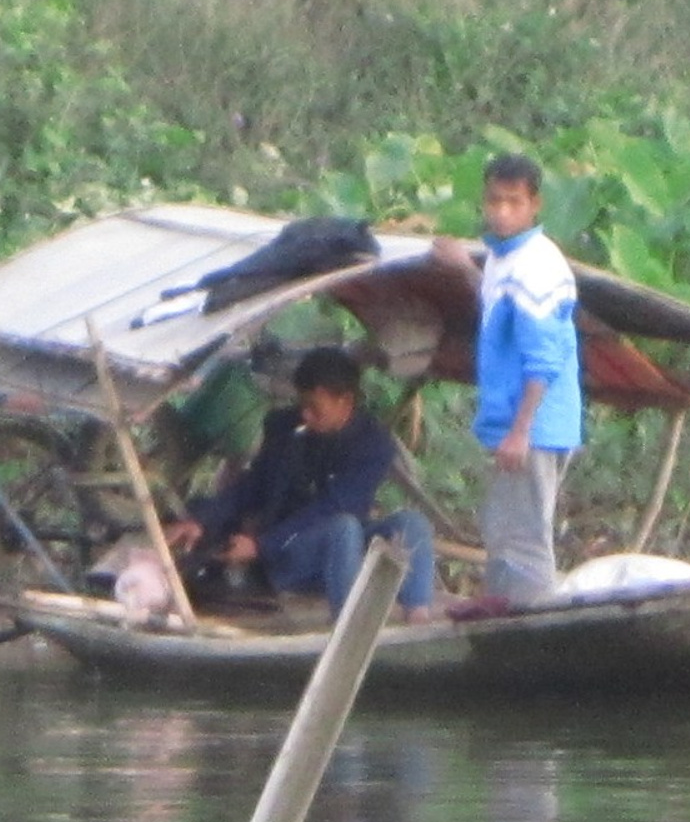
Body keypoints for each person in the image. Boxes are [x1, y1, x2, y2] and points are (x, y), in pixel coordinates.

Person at [165, 344, 435, 619]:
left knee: (409, 523)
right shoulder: (284, 427)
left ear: (345, 401)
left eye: (315, 408)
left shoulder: (373, 446)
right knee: (344, 529)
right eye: (302, 404)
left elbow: (333, 506)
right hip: (287, 555)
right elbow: (252, 484)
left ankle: (417, 615)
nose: (305, 415)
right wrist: (201, 519)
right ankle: (348, 623)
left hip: (338, 550)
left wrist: (261, 544)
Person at [463, 150, 582, 608]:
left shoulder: (535, 265)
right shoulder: (502, 258)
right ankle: (506, 616)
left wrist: (520, 431)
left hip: (533, 424)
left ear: (535, 205)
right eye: (494, 201)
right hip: (516, 423)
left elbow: (543, 360)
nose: (502, 212)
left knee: (524, 540)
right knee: (505, 530)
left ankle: (535, 629)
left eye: (513, 202)